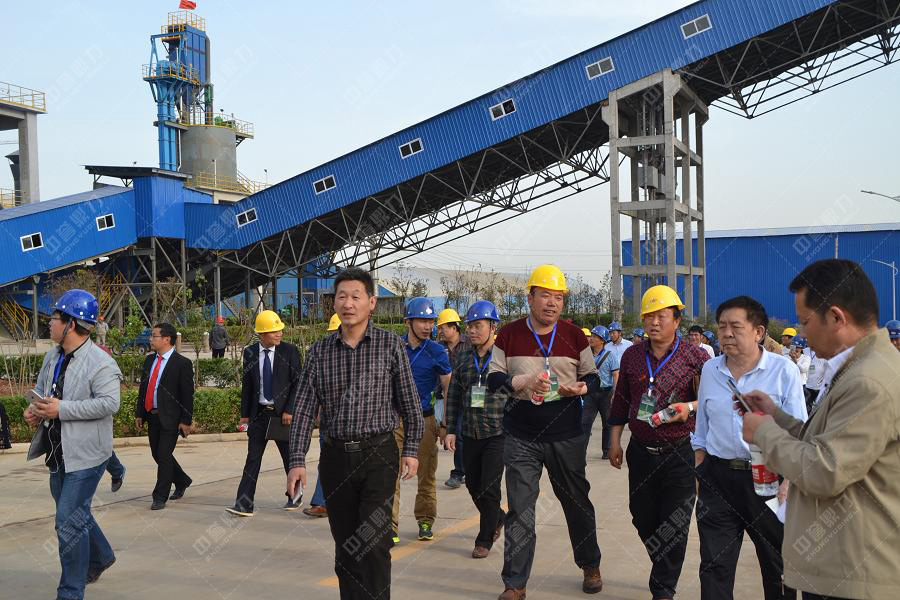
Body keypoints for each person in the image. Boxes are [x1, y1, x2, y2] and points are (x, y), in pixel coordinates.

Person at [740, 259, 900, 600]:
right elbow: (827, 442)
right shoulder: (860, 369)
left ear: (837, 318)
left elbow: (825, 470)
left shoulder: (869, 381)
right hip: (842, 566)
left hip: (854, 574)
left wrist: (764, 432)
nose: (802, 333)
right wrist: (776, 417)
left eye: (805, 322)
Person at [286, 267, 423, 600]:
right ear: (334, 303)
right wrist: (297, 460)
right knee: (347, 548)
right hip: (336, 459)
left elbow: (410, 403)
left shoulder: (389, 346)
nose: (348, 304)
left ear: (371, 302)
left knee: (373, 542)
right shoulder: (320, 352)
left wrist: (411, 449)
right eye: (342, 297)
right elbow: (303, 409)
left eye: (356, 297)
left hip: (379, 455)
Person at [487, 265, 603, 599]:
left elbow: (593, 376)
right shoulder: (508, 334)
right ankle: (515, 584)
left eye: (558, 297)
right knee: (520, 510)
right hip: (521, 436)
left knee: (576, 502)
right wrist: (521, 381)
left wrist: (582, 387)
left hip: (566, 435)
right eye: (545, 296)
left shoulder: (574, 335)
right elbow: (494, 380)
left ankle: (590, 564)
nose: (552, 303)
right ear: (530, 297)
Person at [692, 296, 806, 600]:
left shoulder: (784, 371)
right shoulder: (710, 370)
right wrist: (700, 467)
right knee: (714, 565)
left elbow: (799, 432)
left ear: (758, 332)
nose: (726, 333)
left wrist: (789, 482)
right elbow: (702, 427)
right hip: (718, 479)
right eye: (722, 326)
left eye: (735, 326)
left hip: (769, 480)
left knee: (777, 565)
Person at [608, 284, 709, 600]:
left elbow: (712, 398)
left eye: (661, 316)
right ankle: (663, 564)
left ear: (676, 320)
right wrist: (614, 440)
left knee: (675, 524)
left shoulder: (695, 356)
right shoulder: (632, 355)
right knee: (642, 516)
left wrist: (689, 407)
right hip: (640, 452)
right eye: (648, 316)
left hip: (679, 453)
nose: (653, 322)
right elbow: (621, 400)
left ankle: (663, 589)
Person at [22, 289, 121, 599]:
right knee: (76, 514)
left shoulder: (101, 363)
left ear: (71, 324)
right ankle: (101, 556)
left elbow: (110, 403)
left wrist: (61, 409)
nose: (49, 324)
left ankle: (70, 592)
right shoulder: (53, 356)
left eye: (54, 319)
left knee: (67, 523)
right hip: (57, 453)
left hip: (87, 456)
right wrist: (35, 409)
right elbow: (42, 391)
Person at [444, 300, 505, 559]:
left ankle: (484, 539)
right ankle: (498, 517)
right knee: (473, 485)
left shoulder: (503, 356)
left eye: (478, 325)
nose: (472, 330)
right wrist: (449, 428)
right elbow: (454, 393)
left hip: (497, 433)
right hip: (470, 432)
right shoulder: (464, 357)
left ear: (493, 326)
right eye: (470, 326)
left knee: (490, 487)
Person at [226, 310, 302, 516]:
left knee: (289, 458)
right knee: (252, 459)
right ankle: (244, 504)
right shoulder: (250, 352)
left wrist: (289, 410)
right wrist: (244, 415)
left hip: (282, 416)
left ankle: (295, 496)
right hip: (259, 415)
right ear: (261, 334)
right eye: (274, 331)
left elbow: (298, 384)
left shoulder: (290, 351)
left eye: (280, 330)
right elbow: (247, 386)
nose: (279, 334)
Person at [391, 297, 451, 543]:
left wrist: (445, 423)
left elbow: (448, 387)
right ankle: (390, 527)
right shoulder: (394, 347)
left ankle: (425, 520)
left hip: (425, 421)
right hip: (395, 421)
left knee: (426, 475)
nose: (428, 326)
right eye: (422, 321)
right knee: (390, 475)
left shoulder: (437, 351)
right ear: (408, 322)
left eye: (431, 321)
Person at [134, 322, 194, 510]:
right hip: (152, 415)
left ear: (167, 339)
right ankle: (182, 480)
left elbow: (187, 394)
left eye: (154, 336)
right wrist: (140, 413)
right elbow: (143, 389)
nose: (151, 339)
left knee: (164, 455)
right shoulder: (149, 360)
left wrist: (186, 420)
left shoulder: (182, 363)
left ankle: (160, 496)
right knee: (157, 454)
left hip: (171, 418)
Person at [303, 313, 342, 519]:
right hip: (329, 421)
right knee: (326, 461)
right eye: (333, 332)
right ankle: (321, 502)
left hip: (356, 426)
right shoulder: (323, 357)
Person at [436, 307, 469, 489]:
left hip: (465, 398)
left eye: (443, 327)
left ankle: (459, 472)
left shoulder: (469, 344)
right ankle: (461, 471)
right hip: (444, 398)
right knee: (453, 434)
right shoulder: (438, 348)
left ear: (454, 327)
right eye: (439, 328)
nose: (440, 331)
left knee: (460, 435)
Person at [583, 325, 619, 459]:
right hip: (590, 394)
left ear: (602, 340)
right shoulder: (586, 355)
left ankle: (607, 451)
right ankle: (581, 451)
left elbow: (615, 375)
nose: (591, 339)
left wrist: (615, 393)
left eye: (594, 337)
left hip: (606, 393)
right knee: (585, 423)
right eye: (591, 336)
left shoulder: (610, 356)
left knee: (607, 424)